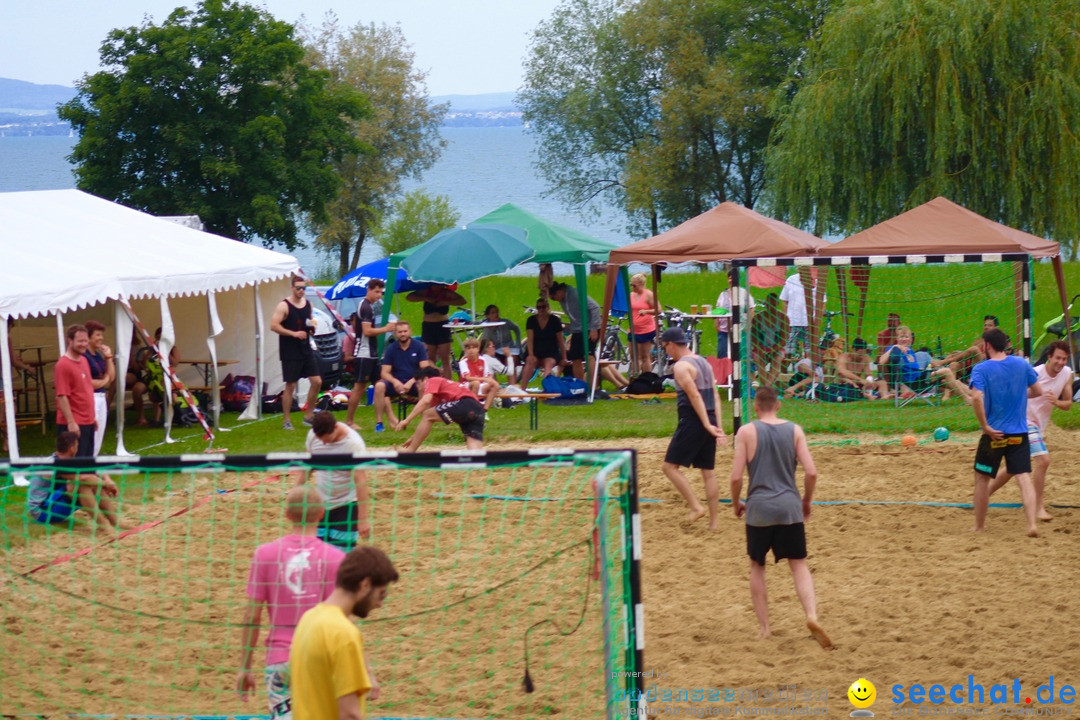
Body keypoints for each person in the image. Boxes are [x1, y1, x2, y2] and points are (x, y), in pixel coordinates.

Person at [730, 386, 831, 649]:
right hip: (789, 506)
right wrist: (806, 502)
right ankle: (811, 616)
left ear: (755, 407)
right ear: (778, 405)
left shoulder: (746, 432)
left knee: (757, 566)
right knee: (799, 565)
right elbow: (811, 472)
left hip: (759, 508)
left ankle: (765, 629)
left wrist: (735, 503)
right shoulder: (795, 430)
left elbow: (736, 477)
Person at [236, 485, 345, 720]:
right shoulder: (336, 558)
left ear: (286, 514)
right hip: (320, 657)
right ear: (322, 514)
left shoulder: (264, 554)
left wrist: (245, 667)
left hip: (280, 659)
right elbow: (342, 621)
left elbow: (252, 617)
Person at [289, 546, 398, 720]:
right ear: (365, 585)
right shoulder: (343, 633)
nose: (380, 604)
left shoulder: (308, 619)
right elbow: (349, 714)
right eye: (381, 594)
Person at [986, 340, 1072, 524]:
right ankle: (1039, 506)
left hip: (1037, 425)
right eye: (1058, 358)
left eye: (1064, 359)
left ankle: (984, 494)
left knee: (1013, 467)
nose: (1061, 362)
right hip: (1023, 421)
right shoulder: (1036, 372)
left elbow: (1068, 405)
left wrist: (1056, 402)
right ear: (1049, 357)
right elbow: (1015, 391)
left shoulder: (1067, 374)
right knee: (1043, 460)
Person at [968, 328, 1041, 537]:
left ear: (987, 346)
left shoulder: (981, 369)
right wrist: (1019, 395)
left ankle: (980, 526)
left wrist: (986, 427)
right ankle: (1031, 525)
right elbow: (1038, 391)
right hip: (1019, 433)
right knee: (1023, 477)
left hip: (994, 434)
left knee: (982, 478)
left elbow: (975, 398)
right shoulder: (1021, 363)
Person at [659, 327, 726, 530]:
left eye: (664, 347)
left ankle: (696, 507)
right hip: (710, 418)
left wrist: (705, 424)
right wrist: (717, 426)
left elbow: (694, 395)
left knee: (669, 467)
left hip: (693, 420)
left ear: (671, 344)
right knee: (708, 472)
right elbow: (715, 396)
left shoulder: (681, 367)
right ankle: (714, 524)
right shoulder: (704, 362)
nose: (665, 351)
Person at [27, 431, 123, 534]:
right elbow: (82, 478)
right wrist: (106, 484)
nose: (78, 448)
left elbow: (94, 468)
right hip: (42, 512)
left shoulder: (65, 459)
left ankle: (115, 521)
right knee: (82, 485)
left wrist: (107, 480)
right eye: (77, 445)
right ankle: (104, 525)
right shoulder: (55, 463)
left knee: (90, 482)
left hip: (51, 503)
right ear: (72, 448)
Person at [301, 412, 372, 548]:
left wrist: (363, 519)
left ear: (334, 428)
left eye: (326, 439)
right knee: (316, 553)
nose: (322, 443)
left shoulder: (353, 444)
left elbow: (361, 482)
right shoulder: (313, 436)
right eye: (319, 438)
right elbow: (307, 467)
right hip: (320, 504)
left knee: (340, 557)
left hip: (346, 505)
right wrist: (295, 491)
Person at [270, 276, 322, 430]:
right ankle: (286, 420)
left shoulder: (308, 305)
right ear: (292, 288)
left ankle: (308, 416)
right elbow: (273, 326)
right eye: (298, 288)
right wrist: (293, 333)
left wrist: (312, 328)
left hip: (306, 349)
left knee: (317, 381)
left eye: (304, 288)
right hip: (290, 350)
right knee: (291, 385)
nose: (301, 291)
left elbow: (309, 321)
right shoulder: (284, 305)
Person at [344, 279, 395, 431]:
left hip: (371, 354)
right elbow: (367, 331)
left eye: (381, 292)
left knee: (381, 386)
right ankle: (349, 421)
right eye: (377, 292)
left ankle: (390, 419)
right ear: (369, 290)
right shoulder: (365, 307)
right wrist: (386, 329)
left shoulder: (370, 307)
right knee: (359, 388)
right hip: (363, 353)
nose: (379, 295)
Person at [396, 367, 486, 451]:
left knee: (427, 414)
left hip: (466, 403)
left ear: (426, 379)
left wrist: (406, 420)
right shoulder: (439, 394)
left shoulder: (433, 380)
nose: (418, 387)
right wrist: (414, 438)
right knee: (474, 450)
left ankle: (409, 452)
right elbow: (427, 421)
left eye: (418, 383)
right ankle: (478, 464)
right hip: (478, 409)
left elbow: (425, 402)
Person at [372, 321, 432, 433]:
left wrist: (411, 381)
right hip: (396, 383)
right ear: (395, 333)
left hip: (414, 382)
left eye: (405, 331)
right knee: (379, 385)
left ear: (410, 332)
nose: (402, 334)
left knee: (422, 385)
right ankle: (379, 424)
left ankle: (424, 421)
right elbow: (384, 372)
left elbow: (425, 368)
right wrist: (394, 381)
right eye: (400, 332)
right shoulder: (391, 348)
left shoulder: (419, 347)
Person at [407, 285, 466, 379]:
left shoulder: (446, 293)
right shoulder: (426, 291)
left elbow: (462, 301)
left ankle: (448, 384)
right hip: (428, 326)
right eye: (434, 285)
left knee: (445, 358)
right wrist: (426, 298)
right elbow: (409, 297)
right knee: (430, 357)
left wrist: (446, 301)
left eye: (438, 285)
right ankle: (434, 380)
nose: (436, 287)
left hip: (443, 326)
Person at [55, 323, 96, 457]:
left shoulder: (84, 360)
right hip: (74, 424)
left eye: (86, 340)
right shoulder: (63, 365)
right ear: (70, 340)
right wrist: (71, 422)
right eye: (80, 341)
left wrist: (92, 416)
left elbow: (86, 389)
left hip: (87, 421)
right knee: (72, 468)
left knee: (88, 464)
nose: (84, 344)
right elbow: (62, 396)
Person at [549, 281, 602, 383]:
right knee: (575, 357)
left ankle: (592, 386)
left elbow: (595, 307)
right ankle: (580, 384)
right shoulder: (562, 300)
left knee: (589, 356)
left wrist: (594, 328)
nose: (554, 300)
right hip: (577, 330)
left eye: (553, 297)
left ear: (559, 291)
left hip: (589, 328)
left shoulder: (575, 294)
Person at [930, 315, 1000, 381]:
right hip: (969, 368)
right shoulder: (978, 341)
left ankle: (942, 363)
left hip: (984, 369)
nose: (986, 327)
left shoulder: (996, 341)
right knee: (953, 364)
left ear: (996, 328)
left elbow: (984, 358)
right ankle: (951, 391)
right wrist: (959, 354)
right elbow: (968, 355)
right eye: (985, 325)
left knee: (974, 349)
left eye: (990, 325)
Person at [83, 320, 116, 455]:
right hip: (91, 397)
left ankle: (93, 460)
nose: (101, 338)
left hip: (101, 396)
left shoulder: (98, 355)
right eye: (97, 335)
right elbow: (87, 382)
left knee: (99, 433)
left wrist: (108, 357)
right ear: (89, 337)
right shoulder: (84, 356)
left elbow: (112, 377)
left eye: (101, 335)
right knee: (92, 432)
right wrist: (105, 380)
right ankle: (87, 461)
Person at [877, 325, 934, 399]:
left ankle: (949, 395)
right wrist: (895, 347)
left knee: (944, 376)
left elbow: (915, 367)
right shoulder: (894, 349)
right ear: (897, 338)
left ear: (910, 339)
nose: (904, 339)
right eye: (901, 337)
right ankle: (948, 398)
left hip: (919, 378)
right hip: (913, 382)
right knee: (944, 372)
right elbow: (881, 361)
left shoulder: (911, 351)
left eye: (906, 337)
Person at [519, 298, 566, 387]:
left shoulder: (555, 320)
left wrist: (564, 358)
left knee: (549, 363)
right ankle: (522, 389)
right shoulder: (531, 320)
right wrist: (531, 354)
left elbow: (560, 341)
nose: (541, 310)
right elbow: (530, 339)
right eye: (538, 307)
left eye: (543, 307)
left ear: (548, 307)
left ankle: (547, 389)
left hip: (551, 353)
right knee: (530, 361)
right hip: (535, 352)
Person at [779, 272, 823, 357]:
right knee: (788, 351)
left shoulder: (817, 281)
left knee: (810, 351)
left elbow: (822, 302)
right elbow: (784, 300)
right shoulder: (791, 279)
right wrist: (786, 319)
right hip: (792, 323)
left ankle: (808, 368)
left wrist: (817, 321)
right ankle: (785, 369)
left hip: (810, 324)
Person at [750, 294, 788, 388]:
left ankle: (766, 387)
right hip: (761, 348)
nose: (771, 307)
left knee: (777, 358)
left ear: (777, 304)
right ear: (766, 305)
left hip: (777, 348)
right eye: (769, 305)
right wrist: (760, 349)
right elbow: (754, 337)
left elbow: (783, 340)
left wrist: (772, 350)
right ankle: (767, 387)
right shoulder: (758, 318)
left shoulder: (784, 318)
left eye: (773, 304)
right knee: (759, 359)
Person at [715, 283, 755, 361]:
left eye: (732, 278)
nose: (731, 280)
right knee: (722, 354)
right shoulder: (723, 294)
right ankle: (725, 372)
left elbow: (751, 308)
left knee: (743, 355)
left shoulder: (744, 293)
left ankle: (744, 372)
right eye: (729, 278)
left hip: (741, 329)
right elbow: (718, 309)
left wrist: (749, 323)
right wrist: (716, 322)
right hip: (725, 329)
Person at [457, 337, 499, 411]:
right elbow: (468, 378)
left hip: (481, 385)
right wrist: (484, 379)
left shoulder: (483, 360)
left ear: (478, 349)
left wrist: (491, 381)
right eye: (468, 348)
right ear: (465, 351)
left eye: (473, 348)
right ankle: (474, 409)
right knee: (476, 383)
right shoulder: (463, 362)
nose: (471, 350)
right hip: (467, 385)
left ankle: (485, 410)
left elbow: (487, 376)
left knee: (495, 385)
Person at [479, 305, 521, 376]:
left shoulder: (505, 322)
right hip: (496, 351)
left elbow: (516, 328)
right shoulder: (487, 328)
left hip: (509, 349)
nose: (496, 314)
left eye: (497, 312)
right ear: (487, 316)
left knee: (511, 358)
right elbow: (485, 343)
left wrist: (518, 343)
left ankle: (512, 384)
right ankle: (493, 383)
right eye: (493, 313)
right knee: (488, 360)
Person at [628, 273, 657, 373]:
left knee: (645, 356)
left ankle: (647, 378)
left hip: (646, 329)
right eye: (631, 285)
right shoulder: (631, 295)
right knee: (633, 357)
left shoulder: (648, 294)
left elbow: (658, 310)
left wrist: (647, 311)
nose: (632, 287)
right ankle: (635, 378)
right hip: (633, 329)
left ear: (641, 284)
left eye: (634, 285)